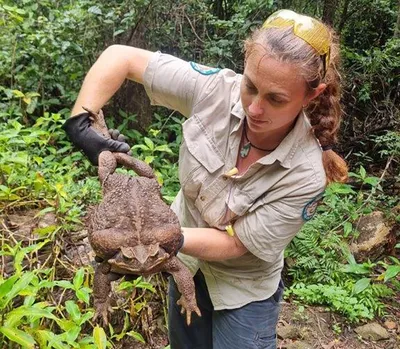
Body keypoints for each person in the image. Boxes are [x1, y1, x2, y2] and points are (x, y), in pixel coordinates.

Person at [63, 9, 348, 349]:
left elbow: (236, 244)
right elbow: (120, 58)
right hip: (184, 266)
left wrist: (157, 241)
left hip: (242, 290)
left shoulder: (306, 174)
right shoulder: (214, 89)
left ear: (311, 96)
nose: (254, 108)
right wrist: (80, 122)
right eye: (251, 86)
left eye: (275, 99)